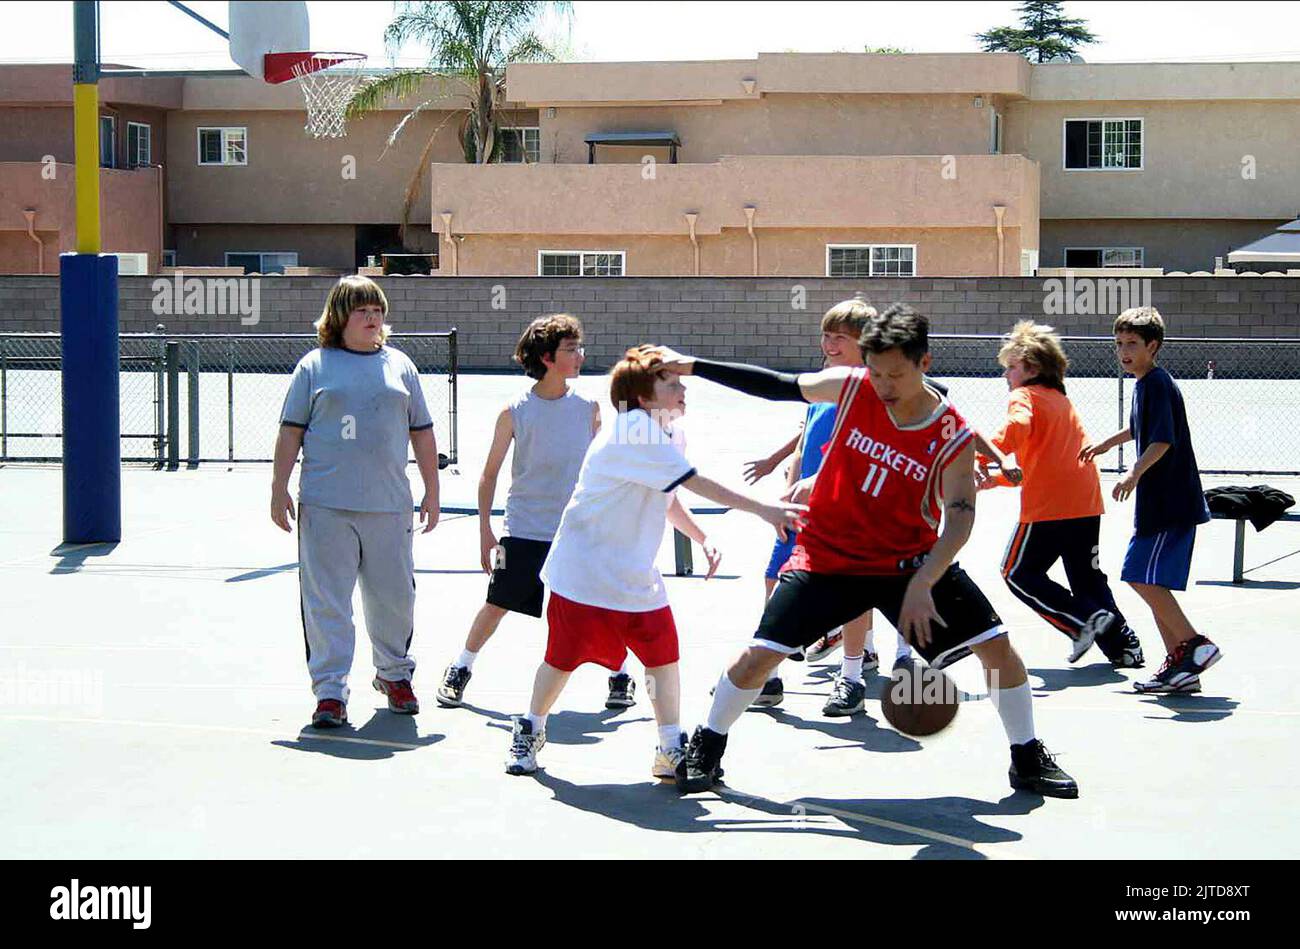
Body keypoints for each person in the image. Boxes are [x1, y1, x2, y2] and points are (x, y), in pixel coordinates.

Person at [654, 304, 1080, 799]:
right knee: (757, 658)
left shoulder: (952, 434)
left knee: (999, 650)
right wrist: (692, 365)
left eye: (894, 374)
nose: (882, 384)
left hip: (908, 564)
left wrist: (924, 581)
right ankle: (708, 743)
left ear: (925, 364)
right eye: (875, 371)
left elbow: (961, 516)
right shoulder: (855, 386)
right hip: (830, 556)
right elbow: (775, 384)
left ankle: (1026, 757)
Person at [504, 346, 806, 778]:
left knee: (663, 658)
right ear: (644, 398)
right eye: (672, 384)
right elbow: (694, 481)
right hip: (584, 573)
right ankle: (529, 729)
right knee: (560, 661)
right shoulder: (632, 430)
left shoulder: (667, 434)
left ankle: (669, 749)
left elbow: (667, 493)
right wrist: (766, 509)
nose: (684, 389)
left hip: (634, 576)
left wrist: (701, 537)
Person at [435, 315, 635, 710]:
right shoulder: (515, 411)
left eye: (580, 347)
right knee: (497, 604)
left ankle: (619, 674)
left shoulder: (589, 408)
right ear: (547, 357)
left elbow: (602, 469)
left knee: (600, 604)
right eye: (571, 349)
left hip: (577, 531)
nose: (580, 355)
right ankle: (461, 668)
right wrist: (485, 533)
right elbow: (488, 475)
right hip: (524, 529)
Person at [271, 275, 440, 728]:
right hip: (326, 505)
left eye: (378, 311)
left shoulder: (400, 366)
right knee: (327, 600)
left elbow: (422, 432)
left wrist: (432, 490)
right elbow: (291, 432)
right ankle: (330, 691)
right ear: (340, 318)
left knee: (394, 598)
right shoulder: (314, 366)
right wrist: (278, 487)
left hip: (390, 505)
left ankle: (394, 675)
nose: (372, 319)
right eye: (362, 311)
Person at [748, 300, 914, 716]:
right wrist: (785, 495)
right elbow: (804, 446)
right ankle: (768, 678)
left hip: (846, 510)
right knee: (774, 580)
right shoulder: (822, 386)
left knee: (852, 595)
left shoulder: (868, 393)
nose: (829, 343)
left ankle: (852, 676)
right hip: (802, 509)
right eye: (826, 335)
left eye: (840, 337)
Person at [976, 321, 1145, 668]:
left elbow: (1016, 428)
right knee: (1087, 579)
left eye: (1011, 367)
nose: (1006, 375)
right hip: (1084, 501)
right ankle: (1125, 648)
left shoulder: (1024, 397)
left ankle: (1077, 622)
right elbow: (1042, 465)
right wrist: (998, 481)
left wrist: (982, 455)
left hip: (1049, 508)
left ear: (1032, 369)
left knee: (1017, 572)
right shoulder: (1060, 401)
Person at [1080, 307, 1220, 694]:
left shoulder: (1157, 383)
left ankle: (1195, 645)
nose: (1123, 351)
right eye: (1119, 344)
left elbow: (1162, 439)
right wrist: (1108, 444)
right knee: (1151, 581)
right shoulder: (1146, 385)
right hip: (1160, 504)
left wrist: (1133, 473)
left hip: (1170, 502)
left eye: (1132, 344)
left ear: (1152, 346)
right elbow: (1142, 427)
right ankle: (1181, 668)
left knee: (1140, 576)